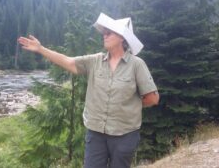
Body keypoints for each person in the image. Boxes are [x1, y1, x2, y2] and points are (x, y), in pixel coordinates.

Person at [17, 13, 159, 168]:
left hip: (124, 135)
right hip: (96, 134)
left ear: (122, 37)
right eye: (104, 32)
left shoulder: (137, 65)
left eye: (109, 32)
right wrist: (41, 49)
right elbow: (68, 62)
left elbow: (152, 98)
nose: (104, 35)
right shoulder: (95, 61)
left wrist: (129, 106)